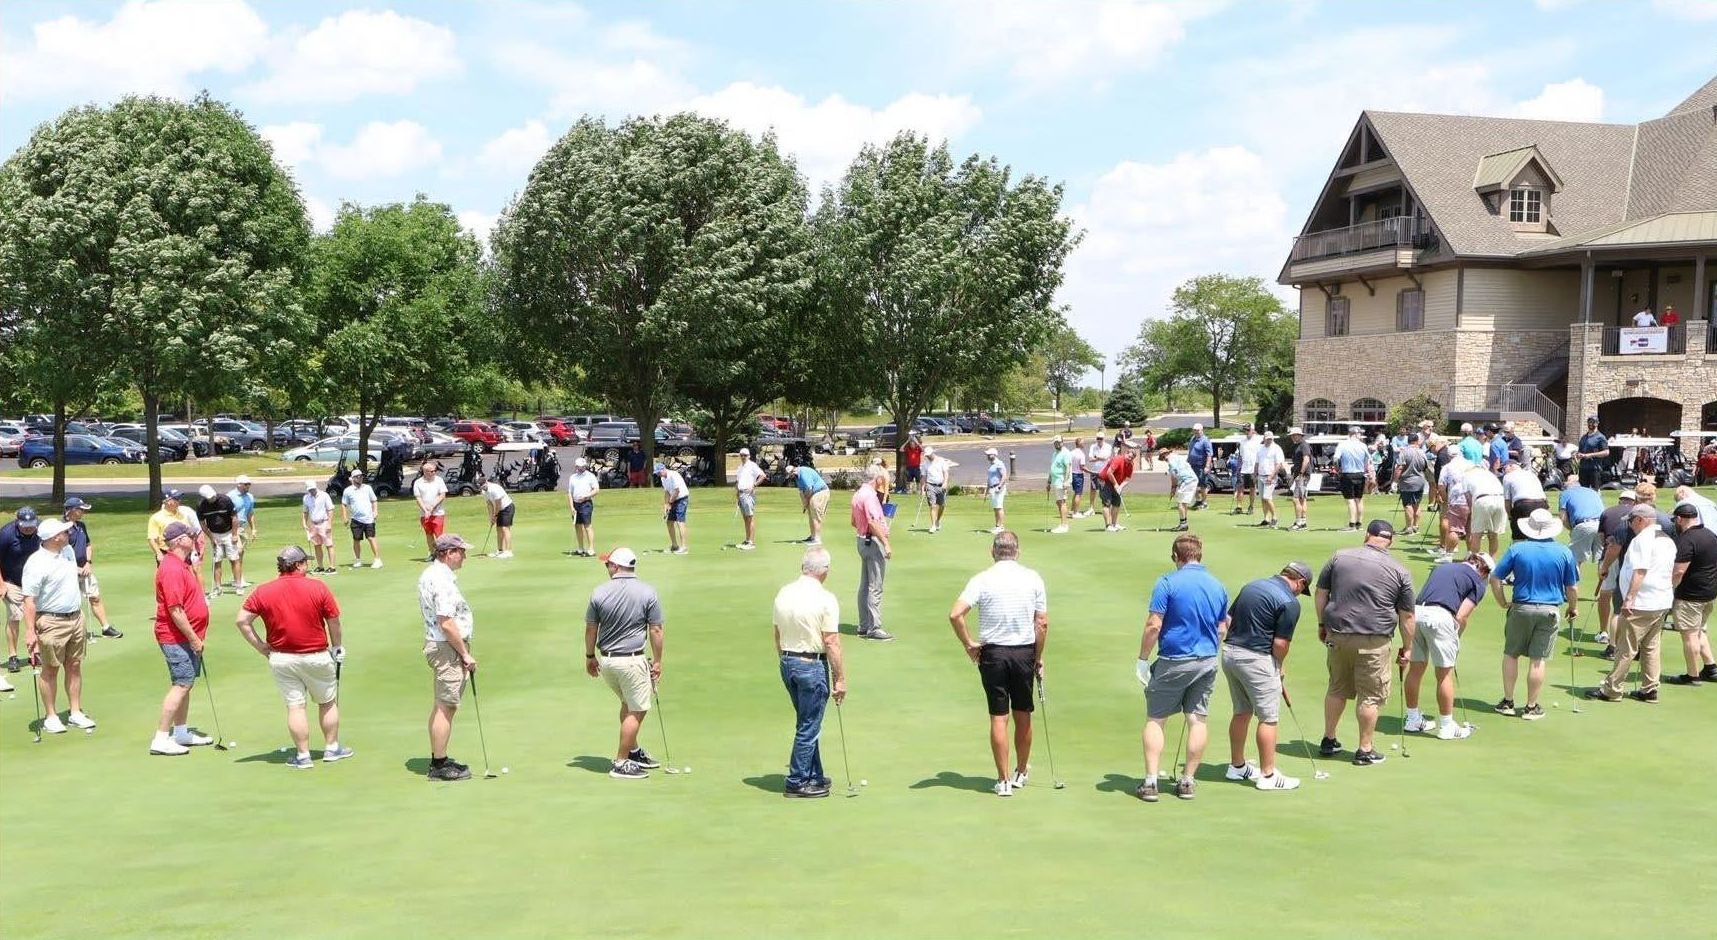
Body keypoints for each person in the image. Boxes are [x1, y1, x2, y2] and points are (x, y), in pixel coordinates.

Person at [234, 545, 352, 769]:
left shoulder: (263, 590)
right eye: (304, 562)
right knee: (327, 702)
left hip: (282, 658)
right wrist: (337, 647)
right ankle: (331, 748)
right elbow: (333, 621)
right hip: (316, 656)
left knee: (295, 707)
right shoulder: (318, 587)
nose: (307, 566)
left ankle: (303, 755)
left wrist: (261, 647)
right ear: (298, 564)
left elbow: (242, 621)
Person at [949, 531, 1048, 798]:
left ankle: (1003, 780)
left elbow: (955, 614)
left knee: (999, 716)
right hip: (1024, 653)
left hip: (992, 654)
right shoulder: (1033, 577)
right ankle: (1021, 772)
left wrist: (969, 643)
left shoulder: (982, 579)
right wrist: (1038, 658)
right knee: (1023, 713)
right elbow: (1042, 624)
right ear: (1017, 551)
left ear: (993, 552)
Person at [1134, 533, 1228, 802]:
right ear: (1199, 555)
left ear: (1176, 556)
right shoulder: (1218, 585)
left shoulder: (1167, 582)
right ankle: (1188, 781)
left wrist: (1142, 659)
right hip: (1207, 660)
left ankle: (1151, 782)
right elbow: (1222, 628)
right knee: (1197, 718)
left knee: (1156, 718)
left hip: (1174, 659)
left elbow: (1154, 624)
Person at [1314, 520, 1416, 765]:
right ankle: (1364, 749)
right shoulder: (1400, 571)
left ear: (1366, 535)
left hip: (1338, 635)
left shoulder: (1339, 557)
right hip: (1374, 640)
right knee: (1370, 696)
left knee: (1337, 688)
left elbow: (1320, 594)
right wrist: (1408, 647)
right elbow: (1408, 616)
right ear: (1390, 541)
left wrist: (1322, 624)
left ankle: (1329, 739)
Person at [1220, 561, 1311, 792]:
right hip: (1257, 659)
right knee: (1268, 717)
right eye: (1303, 588)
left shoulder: (1252, 585)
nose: (1300, 593)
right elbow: (1280, 643)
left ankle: (1237, 766)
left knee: (1242, 711)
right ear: (1300, 582)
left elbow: (1228, 621)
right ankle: (1268, 775)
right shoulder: (1289, 602)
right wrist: (1278, 666)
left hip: (1230, 654)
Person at [1487, 508, 1581, 720]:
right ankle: (1530, 707)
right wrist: (1573, 607)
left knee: (1511, 653)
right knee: (1538, 659)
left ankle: (1508, 702)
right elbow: (1572, 588)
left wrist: (1503, 602)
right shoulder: (1563, 551)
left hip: (1521, 606)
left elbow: (1495, 578)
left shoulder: (1517, 549)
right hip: (1549, 609)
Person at [584, 546, 666, 780]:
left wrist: (589, 657)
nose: (606, 567)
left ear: (617, 566)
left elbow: (591, 629)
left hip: (608, 663)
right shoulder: (648, 591)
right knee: (637, 710)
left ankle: (633, 751)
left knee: (627, 703)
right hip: (632, 660)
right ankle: (621, 762)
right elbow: (656, 630)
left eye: (608, 564)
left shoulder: (599, 592)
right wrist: (658, 661)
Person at [772, 546, 846, 798]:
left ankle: (814, 774)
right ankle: (797, 780)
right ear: (824, 571)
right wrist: (840, 679)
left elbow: (777, 633)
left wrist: (784, 660)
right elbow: (832, 641)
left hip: (788, 661)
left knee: (807, 720)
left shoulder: (784, 592)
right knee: (809, 724)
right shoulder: (826, 598)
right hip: (811, 665)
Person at [20, 519, 96, 733]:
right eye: (64, 531)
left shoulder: (68, 551)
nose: (69, 533)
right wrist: (30, 631)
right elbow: (29, 600)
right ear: (55, 537)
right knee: (51, 668)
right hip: (51, 621)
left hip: (75, 617)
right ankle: (51, 716)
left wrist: (81, 572)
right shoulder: (36, 563)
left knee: (74, 665)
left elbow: (69, 575)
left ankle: (75, 712)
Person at [1404, 552, 1490, 739]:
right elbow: (1461, 616)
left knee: (1415, 669)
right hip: (1440, 617)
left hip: (1416, 614)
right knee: (1444, 675)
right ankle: (1446, 726)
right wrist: (1456, 637)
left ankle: (1412, 720)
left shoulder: (1442, 567)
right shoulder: (1478, 583)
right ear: (1484, 571)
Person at [149, 522, 214, 755]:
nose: (193, 537)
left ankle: (181, 732)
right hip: (175, 637)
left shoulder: (182, 564)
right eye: (189, 535)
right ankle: (161, 738)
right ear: (178, 541)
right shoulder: (171, 569)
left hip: (185, 636)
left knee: (186, 684)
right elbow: (175, 610)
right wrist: (194, 638)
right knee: (182, 684)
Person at [418, 533, 476, 781]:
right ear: (448, 553)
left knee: (442, 705)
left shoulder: (432, 574)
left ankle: (438, 756)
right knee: (446, 706)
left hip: (440, 645)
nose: (464, 555)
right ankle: (439, 765)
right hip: (446, 648)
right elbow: (446, 621)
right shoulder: (441, 580)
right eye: (461, 551)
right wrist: (465, 654)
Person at [1665, 502, 1717, 685]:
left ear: (1680, 519)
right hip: (1709, 593)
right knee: (1698, 630)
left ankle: (1692, 675)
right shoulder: (1711, 535)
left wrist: (1669, 589)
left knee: (1688, 635)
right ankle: (1711, 668)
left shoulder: (1686, 540)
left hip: (1690, 595)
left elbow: (1678, 571)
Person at [61, 498, 119, 639]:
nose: (83, 512)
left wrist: (88, 562)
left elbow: (88, 545)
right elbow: (59, 555)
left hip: (85, 569)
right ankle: (71, 632)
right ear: (71, 510)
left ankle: (105, 627)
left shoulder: (81, 526)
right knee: (72, 603)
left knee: (95, 597)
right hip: (68, 572)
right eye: (81, 509)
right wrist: (75, 569)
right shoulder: (61, 528)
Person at [851, 467, 894, 641]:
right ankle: (874, 627)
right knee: (875, 586)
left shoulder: (857, 494)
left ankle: (863, 625)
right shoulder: (869, 496)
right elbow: (872, 521)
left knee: (865, 584)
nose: (883, 482)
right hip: (872, 542)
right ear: (876, 479)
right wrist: (886, 542)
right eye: (881, 479)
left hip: (862, 540)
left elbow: (853, 521)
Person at [3, 507, 43, 678]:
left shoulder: (41, 531)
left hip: (35, 583)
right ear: (17, 521)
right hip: (12, 582)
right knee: (14, 617)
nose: (28, 528)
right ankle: (13, 656)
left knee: (36, 617)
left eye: (31, 525)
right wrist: (1, 585)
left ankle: (34, 653)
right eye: (24, 525)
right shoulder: (6, 534)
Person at [196, 484, 239, 598]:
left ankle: (238, 585)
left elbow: (234, 518)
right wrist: (211, 537)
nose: (213, 499)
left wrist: (234, 534)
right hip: (214, 534)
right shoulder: (201, 505)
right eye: (210, 498)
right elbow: (202, 524)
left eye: (213, 496)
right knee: (217, 561)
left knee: (233, 559)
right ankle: (218, 588)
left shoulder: (225, 500)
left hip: (229, 532)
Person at [1557, 477, 1606, 571]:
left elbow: (1563, 518)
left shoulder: (1565, 493)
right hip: (1602, 525)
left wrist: (1572, 529)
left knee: (1574, 560)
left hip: (1584, 525)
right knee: (1602, 560)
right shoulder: (1593, 492)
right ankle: (1606, 585)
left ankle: (1572, 585)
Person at [1434, 450, 1473, 562]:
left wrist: (1446, 501)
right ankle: (1470, 555)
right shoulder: (1471, 464)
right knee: (1470, 529)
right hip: (1473, 498)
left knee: (1454, 529)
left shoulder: (1447, 467)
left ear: (1449, 456)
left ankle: (1448, 555)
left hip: (1457, 500)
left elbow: (1441, 486)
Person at [340, 470, 383, 569]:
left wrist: (375, 511)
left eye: (361, 476)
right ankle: (357, 560)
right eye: (358, 476)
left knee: (371, 538)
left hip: (368, 518)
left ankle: (377, 559)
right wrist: (345, 517)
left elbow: (374, 500)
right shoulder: (348, 490)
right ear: (353, 478)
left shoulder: (368, 488)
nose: (360, 478)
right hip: (356, 519)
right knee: (356, 540)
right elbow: (344, 504)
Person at [1463, 462, 1507, 558]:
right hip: (1500, 500)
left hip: (1482, 500)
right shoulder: (1490, 474)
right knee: (1494, 534)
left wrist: (1472, 514)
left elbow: (1468, 498)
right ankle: (1492, 561)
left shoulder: (1466, 476)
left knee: (1477, 534)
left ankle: (1474, 563)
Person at [145, 489, 201, 563]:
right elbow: (152, 539)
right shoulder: (156, 518)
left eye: (179, 499)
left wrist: (193, 549)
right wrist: (159, 553)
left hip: (183, 553)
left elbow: (188, 534)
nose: (179, 501)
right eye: (176, 499)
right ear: (168, 501)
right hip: (166, 553)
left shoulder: (181, 515)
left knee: (184, 574)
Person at [1333, 427, 1372, 529]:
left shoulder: (1342, 445)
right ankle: (1359, 523)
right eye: (1359, 434)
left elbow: (1335, 459)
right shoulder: (1363, 445)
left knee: (1350, 500)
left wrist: (1337, 470)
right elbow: (1368, 460)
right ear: (1354, 434)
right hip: (1360, 474)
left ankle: (1352, 523)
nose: (1360, 436)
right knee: (1359, 499)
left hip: (1348, 474)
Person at [1392, 433, 1430, 536]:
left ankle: (1409, 527)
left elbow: (1399, 467)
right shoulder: (1422, 452)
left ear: (1408, 441)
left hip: (1408, 482)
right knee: (1416, 504)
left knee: (1408, 504)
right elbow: (1426, 467)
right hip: (1420, 481)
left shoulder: (1404, 452)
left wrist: (1395, 481)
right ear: (1417, 441)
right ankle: (1416, 526)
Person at [1501, 460, 1549, 539]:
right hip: (1542, 503)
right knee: (1542, 533)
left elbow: (1507, 501)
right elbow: (1543, 495)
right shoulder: (1531, 474)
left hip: (1524, 505)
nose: (1503, 472)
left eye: (1503, 469)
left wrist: (1511, 518)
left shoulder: (1507, 477)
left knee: (1519, 535)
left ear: (1511, 466)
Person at [412, 460, 449, 561]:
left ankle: (442, 554)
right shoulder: (418, 482)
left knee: (439, 535)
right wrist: (425, 510)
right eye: (431, 471)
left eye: (434, 471)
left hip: (438, 513)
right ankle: (432, 553)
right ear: (425, 472)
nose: (434, 473)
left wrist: (432, 506)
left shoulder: (439, 480)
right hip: (424, 513)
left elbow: (442, 495)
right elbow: (418, 498)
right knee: (428, 534)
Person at [226, 475, 257, 590]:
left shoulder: (250, 497)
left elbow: (250, 513)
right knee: (238, 551)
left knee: (240, 553)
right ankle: (238, 580)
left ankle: (238, 578)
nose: (248, 486)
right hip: (232, 528)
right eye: (245, 484)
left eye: (249, 484)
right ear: (239, 484)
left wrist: (253, 528)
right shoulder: (230, 496)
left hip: (242, 527)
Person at [1097, 439, 1135, 533]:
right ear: (1126, 453)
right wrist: (1115, 484)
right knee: (1107, 503)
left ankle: (1114, 524)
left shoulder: (1130, 465)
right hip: (1104, 481)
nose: (1129, 459)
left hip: (1116, 484)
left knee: (1117, 503)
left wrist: (1120, 487)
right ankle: (1108, 525)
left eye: (1132, 458)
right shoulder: (1118, 459)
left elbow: (1127, 479)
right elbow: (1109, 473)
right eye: (1129, 456)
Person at [789, 460, 831, 544]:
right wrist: (804, 504)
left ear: (794, 471)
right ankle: (813, 536)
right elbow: (801, 492)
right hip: (814, 494)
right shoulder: (797, 478)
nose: (790, 477)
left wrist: (807, 500)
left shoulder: (804, 473)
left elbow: (809, 489)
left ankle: (817, 539)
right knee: (811, 515)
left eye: (790, 475)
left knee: (816, 515)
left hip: (820, 492)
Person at [567, 456, 600, 557]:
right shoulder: (573, 477)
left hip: (586, 503)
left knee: (587, 526)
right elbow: (569, 493)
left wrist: (586, 496)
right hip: (576, 504)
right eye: (578, 466)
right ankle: (580, 548)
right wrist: (572, 507)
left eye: (582, 466)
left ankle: (591, 549)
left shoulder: (590, 476)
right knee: (577, 526)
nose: (580, 468)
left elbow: (596, 490)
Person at [301, 481, 336, 574]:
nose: (312, 491)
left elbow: (330, 509)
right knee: (317, 545)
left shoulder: (324, 495)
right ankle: (320, 566)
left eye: (313, 489)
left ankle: (332, 567)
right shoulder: (306, 498)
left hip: (324, 522)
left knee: (329, 544)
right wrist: (304, 523)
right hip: (313, 524)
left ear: (315, 487)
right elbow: (305, 511)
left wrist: (329, 523)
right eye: (310, 490)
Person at [478, 473, 516, 559]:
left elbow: (498, 504)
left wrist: (495, 515)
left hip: (507, 507)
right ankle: (500, 550)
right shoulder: (484, 492)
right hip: (500, 509)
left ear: (486, 482)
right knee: (498, 529)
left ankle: (509, 551)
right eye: (480, 486)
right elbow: (489, 504)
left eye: (483, 485)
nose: (482, 487)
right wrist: (491, 517)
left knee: (505, 528)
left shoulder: (494, 488)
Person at [735, 447, 765, 551]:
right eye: (741, 455)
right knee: (745, 518)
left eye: (745, 455)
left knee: (750, 517)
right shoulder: (740, 467)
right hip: (741, 494)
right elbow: (738, 482)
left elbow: (762, 475)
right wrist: (737, 495)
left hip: (748, 494)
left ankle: (751, 542)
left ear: (749, 456)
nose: (743, 457)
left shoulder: (752, 465)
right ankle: (747, 540)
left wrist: (754, 485)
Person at [657, 462, 690, 555]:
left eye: (659, 472)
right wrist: (666, 505)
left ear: (663, 469)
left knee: (680, 522)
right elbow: (667, 492)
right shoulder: (663, 478)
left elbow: (677, 491)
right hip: (673, 499)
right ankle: (674, 546)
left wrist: (670, 503)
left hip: (682, 498)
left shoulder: (673, 475)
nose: (658, 474)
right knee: (669, 522)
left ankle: (684, 547)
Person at [1253, 430, 1285, 529]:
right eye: (1267, 439)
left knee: (1267, 497)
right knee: (1262, 498)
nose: (1269, 441)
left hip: (1270, 476)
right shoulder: (1260, 449)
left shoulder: (1276, 448)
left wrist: (1272, 475)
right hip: (1261, 475)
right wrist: (1255, 475)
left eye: (1270, 439)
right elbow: (1257, 463)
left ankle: (1274, 517)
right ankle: (1266, 518)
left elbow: (1279, 464)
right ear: (1264, 439)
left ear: (1273, 439)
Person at [1162, 448, 1198, 533]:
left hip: (1187, 481)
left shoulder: (1171, 460)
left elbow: (1175, 474)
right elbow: (1173, 476)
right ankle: (1184, 524)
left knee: (1180, 503)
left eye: (1163, 457)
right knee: (1184, 503)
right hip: (1192, 479)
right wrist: (1173, 487)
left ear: (1166, 454)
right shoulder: (1177, 457)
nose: (1164, 459)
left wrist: (1174, 488)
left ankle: (1183, 524)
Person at [1288, 427, 1313, 531]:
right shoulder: (1297, 446)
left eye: (1294, 435)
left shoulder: (1304, 445)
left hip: (1303, 475)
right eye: (1292, 435)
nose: (1292, 437)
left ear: (1299, 435)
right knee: (1302, 499)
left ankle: (1299, 522)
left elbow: (1306, 460)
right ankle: (1303, 522)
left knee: (1296, 499)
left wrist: (1301, 473)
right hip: (1299, 474)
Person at [1233, 424, 1261, 516]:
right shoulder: (1242, 442)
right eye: (1245, 430)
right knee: (1240, 488)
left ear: (1253, 430)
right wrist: (1238, 467)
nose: (1247, 432)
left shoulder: (1258, 441)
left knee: (1252, 489)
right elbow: (1240, 456)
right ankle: (1239, 507)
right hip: (1243, 469)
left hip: (1253, 469)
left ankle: (1251, 507)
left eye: (1248, 430)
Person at [1575, 417, 1609, 489]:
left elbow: (1606, 452)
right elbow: (1580, 451)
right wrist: (1578, 455)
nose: (1590, 424)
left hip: (1594, 468)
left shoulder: (1600, 437)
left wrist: (1590, 455)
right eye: (1589, 422)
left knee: (1595, 491)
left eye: (1593, 422)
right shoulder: (1584, 437)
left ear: (1597, 424)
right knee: (1583, 490)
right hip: (1583, 468)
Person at [1047, 437, 1072, 534]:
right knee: (1059, 502)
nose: (1057, 444)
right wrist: (1049, 481)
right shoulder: (1055, 453)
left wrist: (1066, 481)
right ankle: (1063, 524)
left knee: (1062, 502)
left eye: (1059, 442)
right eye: (1055, 443)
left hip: (1062, 481)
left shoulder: (1065, 453)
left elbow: (1068, 468)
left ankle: (1064, 525)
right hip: (1055, 481)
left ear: (1062, 442)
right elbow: (1052, 468)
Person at [1086, 432, 1114, 515]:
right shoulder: (1093, 446)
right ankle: (1091, 508)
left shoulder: (1108, 446)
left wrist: (1096, 457)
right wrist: (1100, 458)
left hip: (1105, 472)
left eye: (1101, 438)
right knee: (1093, 489)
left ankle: (1106, 506)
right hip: (1095, 471)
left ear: (1104, 439)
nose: (1099, 440)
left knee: (1105, 490)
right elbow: (1090, 459)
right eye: (1098, 438)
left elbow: (1106, 457)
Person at [983, 447, 1008, 534]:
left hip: (998, 488)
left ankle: (1001, 527)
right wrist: (986, 491)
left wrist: (1000, 487)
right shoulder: (992, 465)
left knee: (999, 507)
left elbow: (1004, 476)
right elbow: (989, 479)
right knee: (995, 508)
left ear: (994, 455)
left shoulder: (999, 464)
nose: (988, 456)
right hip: (992, 488)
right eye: (987, 454)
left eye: (989, 454)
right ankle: (997, 525)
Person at [1187, 425, 1212, 510]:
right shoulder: (1192, 439)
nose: (1196, 432)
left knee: (1202, 485)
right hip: (1192, 466)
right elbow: (1190, 451)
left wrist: (1207, 466)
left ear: (1202, 430)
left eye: (1197, 430)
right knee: (1193, 484)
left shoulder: (1205, 440)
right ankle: (1198, 501)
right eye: (1194, 430)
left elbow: (1209, 454)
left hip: (1202, 466)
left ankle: (1204, 503)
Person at [1067, 437, 1089, 519]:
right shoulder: (1081, 454)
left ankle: (1072, 510)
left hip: (1071, 474)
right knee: (1078, 494)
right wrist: (1091, 472)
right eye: (1083, 442)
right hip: (1078, 475)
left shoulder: (1071, 452)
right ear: (1080, 444)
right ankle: (1076, 513)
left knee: (1076, 493)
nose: (1084, 444)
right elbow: (1082, 467)